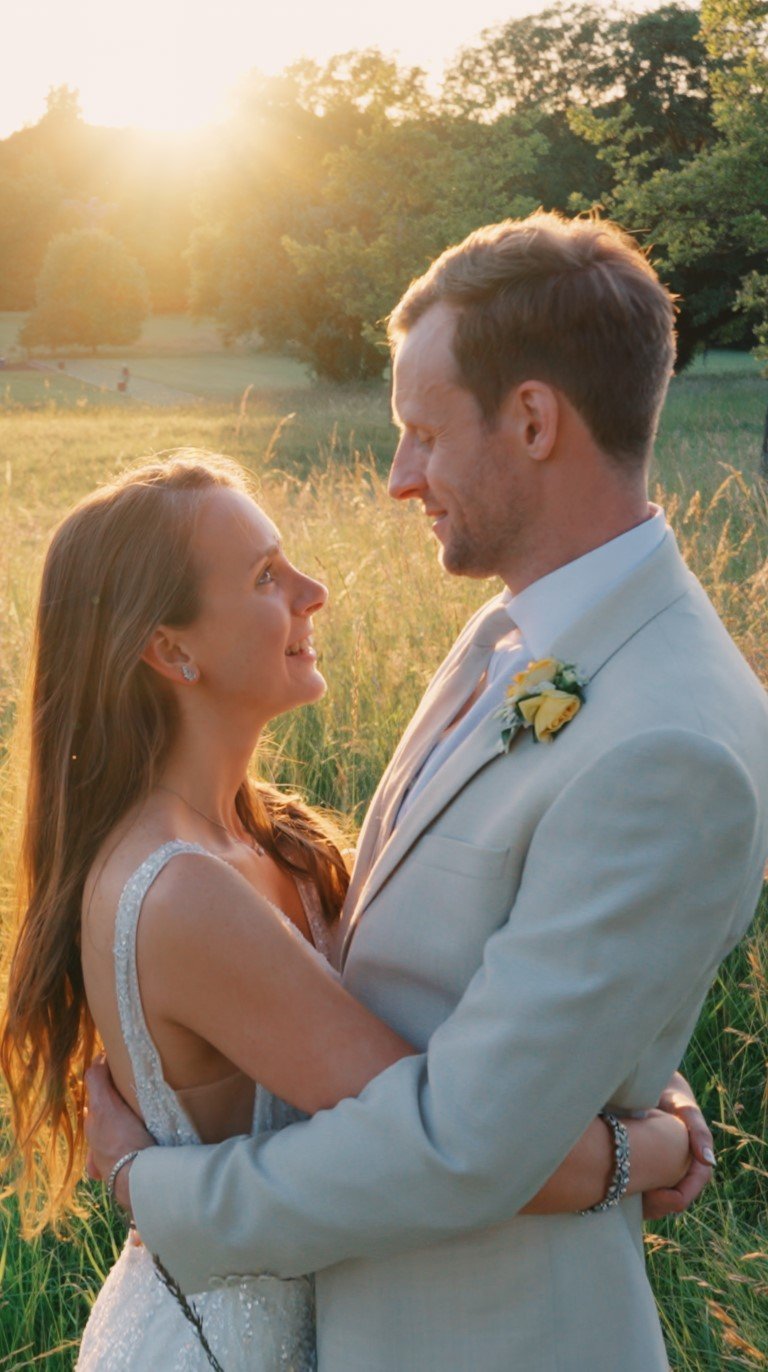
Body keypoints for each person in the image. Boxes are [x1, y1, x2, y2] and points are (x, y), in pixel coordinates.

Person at [86, 212, 768, 1370]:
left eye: (423, 433)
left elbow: (465, 1142)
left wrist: (159, 1192)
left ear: (535, 421)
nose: (401, 477)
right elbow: (515, 995)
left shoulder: (670, 741)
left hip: (487, 1333)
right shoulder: (508, 631)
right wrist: (640, 1131)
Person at [0, 453, 697, 1371]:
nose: (313, 591)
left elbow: (456, 1015)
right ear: (172, 651)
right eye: (265, 577)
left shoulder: (269, 833)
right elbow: (441, 1139)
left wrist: (651, 1082)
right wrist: (655, 1150)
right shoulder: (180, 892)